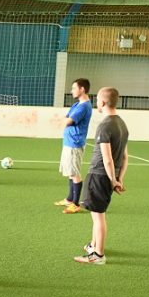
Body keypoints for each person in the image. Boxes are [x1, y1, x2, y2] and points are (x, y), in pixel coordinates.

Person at [74, 87, 129, 265]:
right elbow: (125, 157)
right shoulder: (122, 124)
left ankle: (98, 255)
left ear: (103, 102)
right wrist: (119, 179)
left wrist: (113, 180)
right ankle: (93, 245)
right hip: (108, 176)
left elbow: (108, 159)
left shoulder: (105, 125)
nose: (96, 102)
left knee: (98, 216)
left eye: (97, 99)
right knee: (97, 212)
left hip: (99, 175)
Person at [55, 78, 93, 214]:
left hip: (75, 143)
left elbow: (68, 121)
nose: (71, 91)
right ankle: (70, 199)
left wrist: (65, 120)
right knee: (70, 171)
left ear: (82, 89)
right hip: (69, 142)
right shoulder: (77, 105)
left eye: (74, 88)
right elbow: (66, 118)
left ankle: (76, 204)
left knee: (74, 172)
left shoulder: (83, 106)